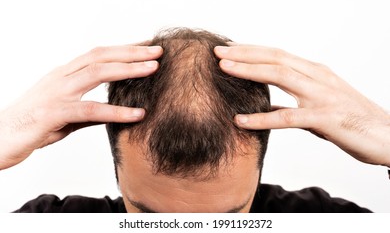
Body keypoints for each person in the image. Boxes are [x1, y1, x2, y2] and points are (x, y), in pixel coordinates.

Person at [1, 28, 389, 212]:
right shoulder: (51, 223)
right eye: (149, 220)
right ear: (115, 165)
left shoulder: (323, 222)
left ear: (260, 166)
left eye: (229, 220)